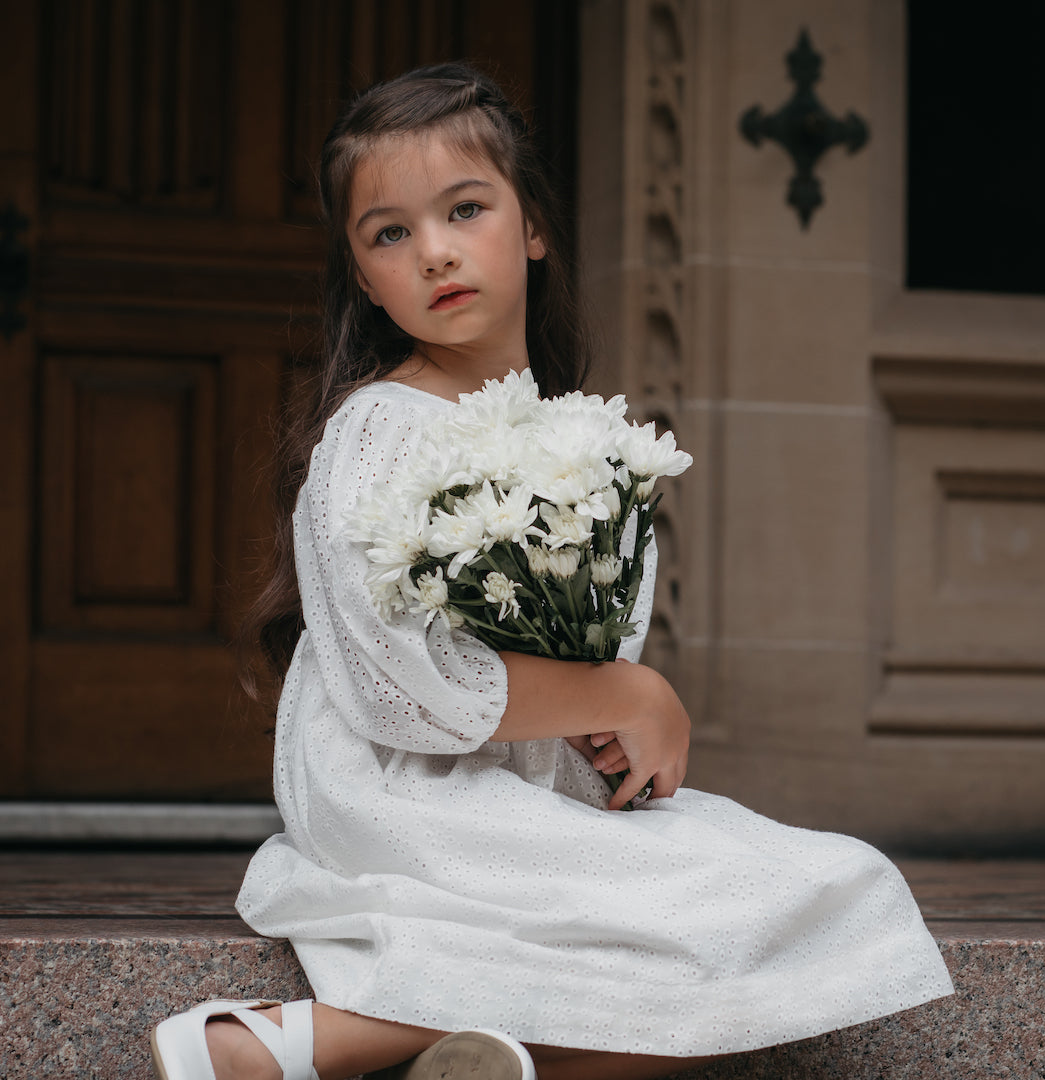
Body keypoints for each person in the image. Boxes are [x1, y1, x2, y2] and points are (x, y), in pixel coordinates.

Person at [150, 63, 953, 1080]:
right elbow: (402, 690)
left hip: (533, 790)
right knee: (709, 914)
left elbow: (591, 645)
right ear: (361, 275)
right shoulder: (380, 433)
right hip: (402, 795)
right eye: (389, 233)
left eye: (466, 209)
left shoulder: (583, 445)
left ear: (531, 224)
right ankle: (285, 1044)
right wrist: (627, 690)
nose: (434, 250)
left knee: (822, 891)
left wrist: (610, 729)